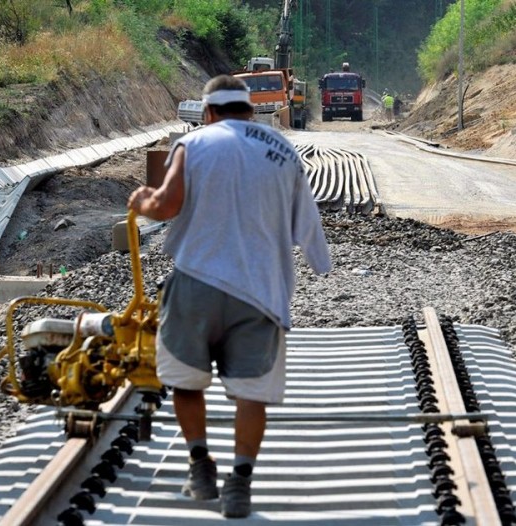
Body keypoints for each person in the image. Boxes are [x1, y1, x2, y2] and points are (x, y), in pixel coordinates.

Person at [128, 74, 332, 519]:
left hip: (197, 282)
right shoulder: (284, 151)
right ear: (249, 108)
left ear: (208, 112)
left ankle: (200, 467)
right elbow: (308, 226)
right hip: (261, 292)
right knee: (250, 394)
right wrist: (321, 264)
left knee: (184, 381)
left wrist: (141, 201)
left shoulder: (195, 143)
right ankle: (240, 483)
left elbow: (167, 205)